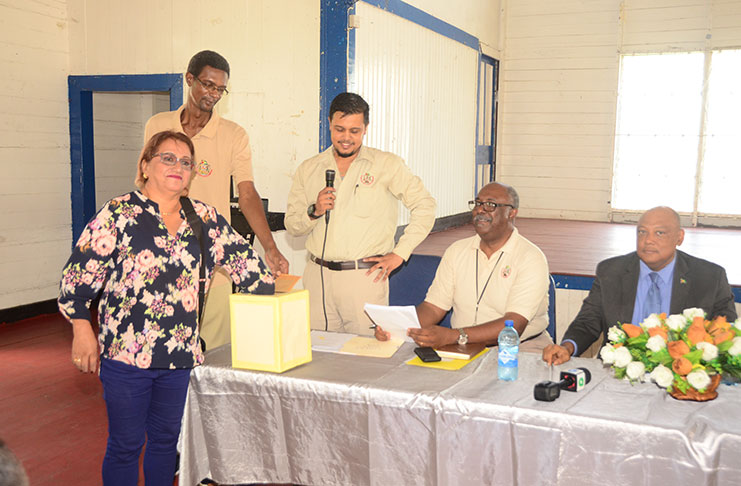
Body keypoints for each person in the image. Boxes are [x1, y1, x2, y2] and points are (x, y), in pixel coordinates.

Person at [58, 131, 274, 485]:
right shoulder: (120, 213)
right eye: (167, 158)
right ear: (145, 165)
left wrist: (280, 291)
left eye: (186, 162)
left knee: (165, 444)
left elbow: (250, 269)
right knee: (126, 445)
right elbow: (78, 277)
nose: (178, 166)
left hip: (180, 358)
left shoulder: (204, 217)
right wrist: (82, 328)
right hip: (127, 358)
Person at [144, 50, 287, 350]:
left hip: (213, 270)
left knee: (216, 356)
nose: (213, 94)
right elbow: (145, 187)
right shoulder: (157, 126)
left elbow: (247, 194)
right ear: (189, 79)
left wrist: (270, 247)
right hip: (162, 263)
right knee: (163, 351)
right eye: (207, 85)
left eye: (220, 89)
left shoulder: (234, 135)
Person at [285, 92, 436, 335]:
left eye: (354, 131)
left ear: (365, 128)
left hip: (364, 279)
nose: (346, 138)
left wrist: (400, 253)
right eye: (339, 129)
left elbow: (425, 206)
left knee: (365, 357)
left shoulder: (387, 164)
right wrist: (314, 211)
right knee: (319, 357)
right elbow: (292, 225)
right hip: (317, 277)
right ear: (329, 125)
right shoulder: (309, 168)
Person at [542, 206, 737, 365]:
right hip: (617, 374)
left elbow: (724, 332)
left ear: (679, 237)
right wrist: (567, 347)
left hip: (681, 375)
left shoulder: (709, 277)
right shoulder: (611, 271)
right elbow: (588, 322)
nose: (648, 240)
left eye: (659, 233)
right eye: (642, 232)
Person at [377, 182, 552, 351]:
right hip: (462, 346)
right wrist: (396, 329)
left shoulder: (530, 258)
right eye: (477, 203)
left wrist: (453, 336)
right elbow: (433, 307)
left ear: (511, 213)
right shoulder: (457, 251)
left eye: (490, 205)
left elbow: (514, 324)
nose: (480, 210)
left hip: (521, 348)